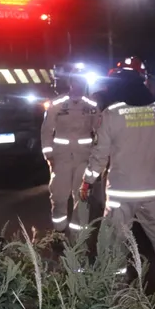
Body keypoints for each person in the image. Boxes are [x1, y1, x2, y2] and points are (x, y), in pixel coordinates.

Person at [79, 63, 155, 278]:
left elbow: (100, 155)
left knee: (115, 239)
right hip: (153, 189)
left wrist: (88, 180)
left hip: (121, 191)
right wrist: (154, 155)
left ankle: (116, 284)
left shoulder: (112, 114)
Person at [41, 73, 99, 236]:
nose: (78, 85)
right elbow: (46, 131)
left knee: (82, 196)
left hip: (84, 157)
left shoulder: (91, 105)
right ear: (70, 83)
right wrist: (49, 155)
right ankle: (58, 231)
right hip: (61, 157)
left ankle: (79, 237)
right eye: (75, 81)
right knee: (59, 194)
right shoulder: (57, 104)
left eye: (81, 81)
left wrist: (97, 156)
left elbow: (99, 131)